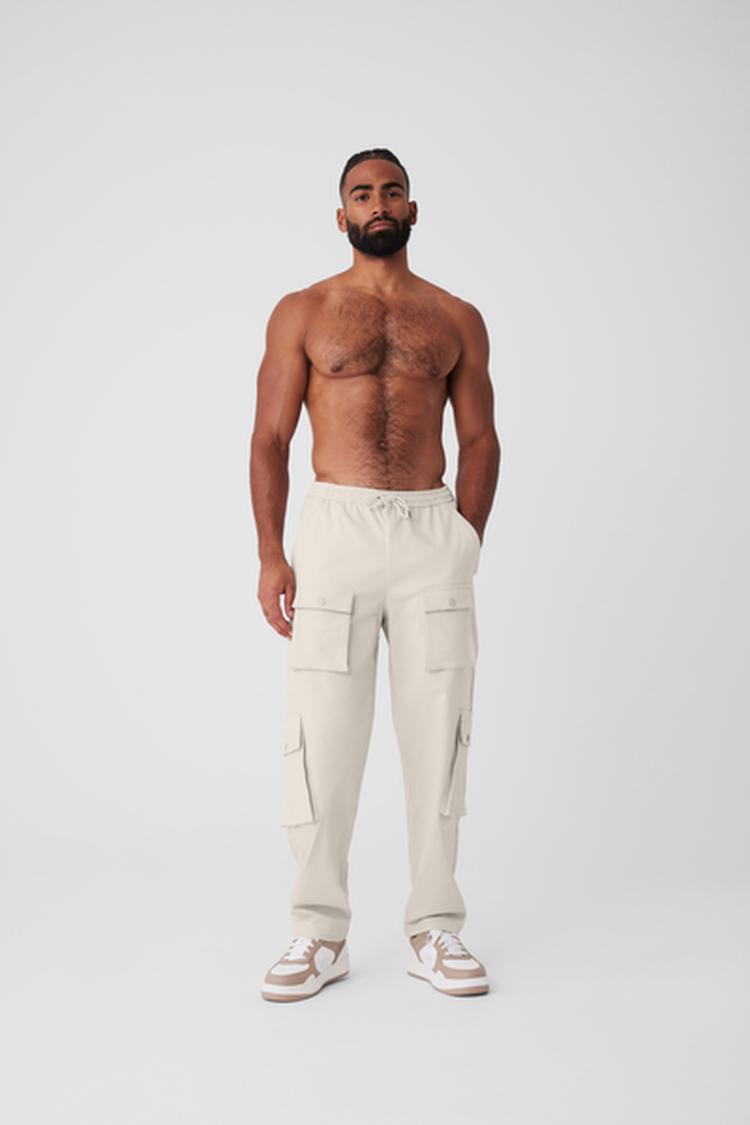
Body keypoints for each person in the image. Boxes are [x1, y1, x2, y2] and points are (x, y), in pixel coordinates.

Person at [249, 148, 501, 1001]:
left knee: (440, 732)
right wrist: (272, 553)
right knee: (321, 734)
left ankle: (435, 926)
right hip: (337, 529)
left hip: (432, 530)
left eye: (392, 190)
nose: (378, 202)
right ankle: (320, 931)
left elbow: (481, 437)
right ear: (342, 215)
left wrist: (465, 538)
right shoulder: (304, 311)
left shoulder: (456, 317)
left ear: (413, 209)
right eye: (362, 193)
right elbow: (269, 438)